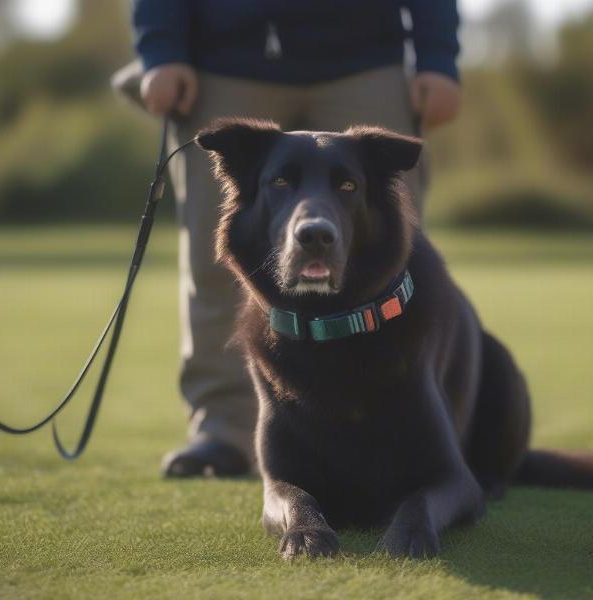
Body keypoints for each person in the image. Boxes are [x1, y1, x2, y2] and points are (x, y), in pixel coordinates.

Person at [116, 0, 461, 477]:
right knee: (214, 261)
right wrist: (161, 47)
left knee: (392, 260)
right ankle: (223, 430)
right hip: (225, 61)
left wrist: (438, 56)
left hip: (366, 58)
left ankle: (406, 429)